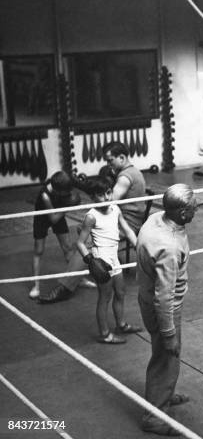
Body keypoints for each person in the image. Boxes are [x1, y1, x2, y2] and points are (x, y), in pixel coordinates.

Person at [38, 142, 147, 303]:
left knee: (88, 239)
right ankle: (79, 273)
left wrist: (82, 185)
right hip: (122, 218)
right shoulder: (133, 171)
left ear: (122, 158)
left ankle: (66, 287)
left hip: (127, 223)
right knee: (84, 231)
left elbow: (107, 202)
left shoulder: (125, 177)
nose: (108, 164)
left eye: (110, 160)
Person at [136, 184, 198, 436]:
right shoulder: (170, 247)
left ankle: (162, 395)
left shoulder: (155, 219)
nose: (196, 210)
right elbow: (165, 296)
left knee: (161, 356)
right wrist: (169, 332)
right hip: (164, 309)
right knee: (167, 358)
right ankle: (154, 417)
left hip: (146, 296)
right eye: (193, 207)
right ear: (182, 212)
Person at [75, 176, 140, 344]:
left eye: (108, 193)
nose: (106, 198)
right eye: (100, 195)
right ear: (92, 197)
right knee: (105, 296)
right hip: (101, 259)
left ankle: (121, 324)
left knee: (121, 292)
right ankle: (105, 334)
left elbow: (127, 229)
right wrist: (90, 260)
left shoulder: (115, 208)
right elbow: (80, 243)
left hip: (114, 256)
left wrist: (138, 247)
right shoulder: (91, 216)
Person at [30, 171, 80, 299]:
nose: (68, 194)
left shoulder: (61, 184)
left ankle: (77, 279)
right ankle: (36, 286)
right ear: (57, 191)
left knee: (68, 247)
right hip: (43, 217)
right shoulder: (45, 196)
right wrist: (67, 207)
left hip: (58, 211)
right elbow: (53, 218)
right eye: (65, 193)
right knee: (39, 250)